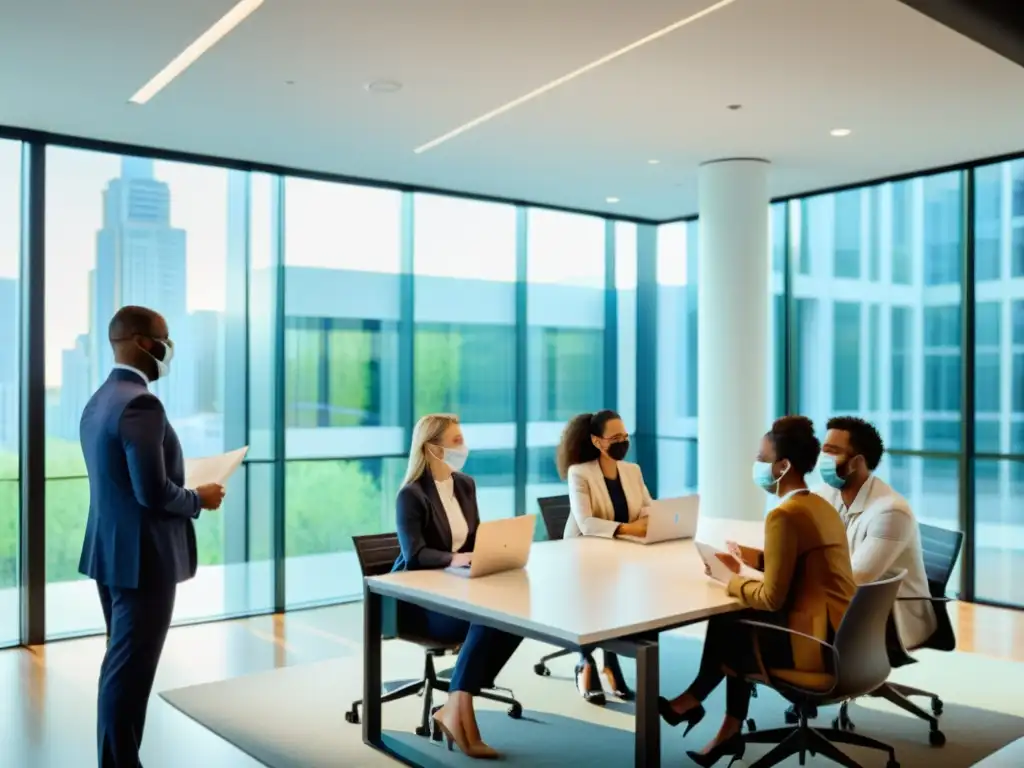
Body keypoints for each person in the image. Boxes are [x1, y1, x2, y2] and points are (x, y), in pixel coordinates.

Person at [659, 416, 857, 767]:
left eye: (762, 458)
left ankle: (696, 704)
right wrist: (751, 559)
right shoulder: (818, 505)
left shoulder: (784, 515)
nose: (757, 465)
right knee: (737, 620)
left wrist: (728, 578)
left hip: (817, 648)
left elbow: (771, 598)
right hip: (844, 635)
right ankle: (720, 723)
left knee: (732, 619)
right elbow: (806, 563)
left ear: (783, 466)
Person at [78, 306, 226, 768]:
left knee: (119, 664)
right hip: (143, 560)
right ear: (143, 343)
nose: (169, 348)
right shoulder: (142, 403)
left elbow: (122, 482)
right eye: (166, 338)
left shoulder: (100, 398)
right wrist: (198, 497)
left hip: (111, 552)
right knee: (130, 670)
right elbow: (152, 492)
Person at [393, 413, 523, 760]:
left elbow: (475, 537)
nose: (463, 447)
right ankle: (460, 708)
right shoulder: (411, 495)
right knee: (487, 617)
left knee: (518, 616)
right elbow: (415, 554)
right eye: (456, 441)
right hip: (421, 604)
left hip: (461, 588)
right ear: (432, 449)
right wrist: (456, 559)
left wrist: (493, 550)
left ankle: (453, 703)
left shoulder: (465, 484)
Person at [556, 410, 652, 705]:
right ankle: (585, 663)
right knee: (595, 597)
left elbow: (649, 508)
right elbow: (586, 523)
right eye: (615, 438)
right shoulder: (580, 472)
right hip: (583, 553)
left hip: (623, 552)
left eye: (625, 436)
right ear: (598, 442)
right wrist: (629, 527)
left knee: (621, 599)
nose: (623, 442)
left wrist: (645, 523)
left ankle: (611, 661)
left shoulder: (632, 470)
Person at [817, 416, 936, 648]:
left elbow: (852, 581)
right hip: (850, 610)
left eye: (832, 452)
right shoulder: (828, 494)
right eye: (823, 450)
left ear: (857, 462)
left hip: (893, 624)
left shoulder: (890, 511)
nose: (823, 459)